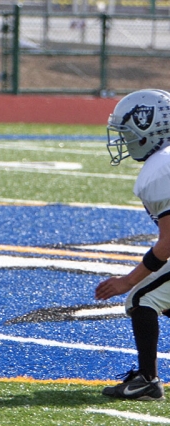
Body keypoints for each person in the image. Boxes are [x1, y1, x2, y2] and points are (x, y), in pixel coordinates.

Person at [95, 88, 170, 401]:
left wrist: (128, 280)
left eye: (127, 132)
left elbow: (169, 242)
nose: (123, 140)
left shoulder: (160, 169)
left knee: (141, 297)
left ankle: (147, 382)